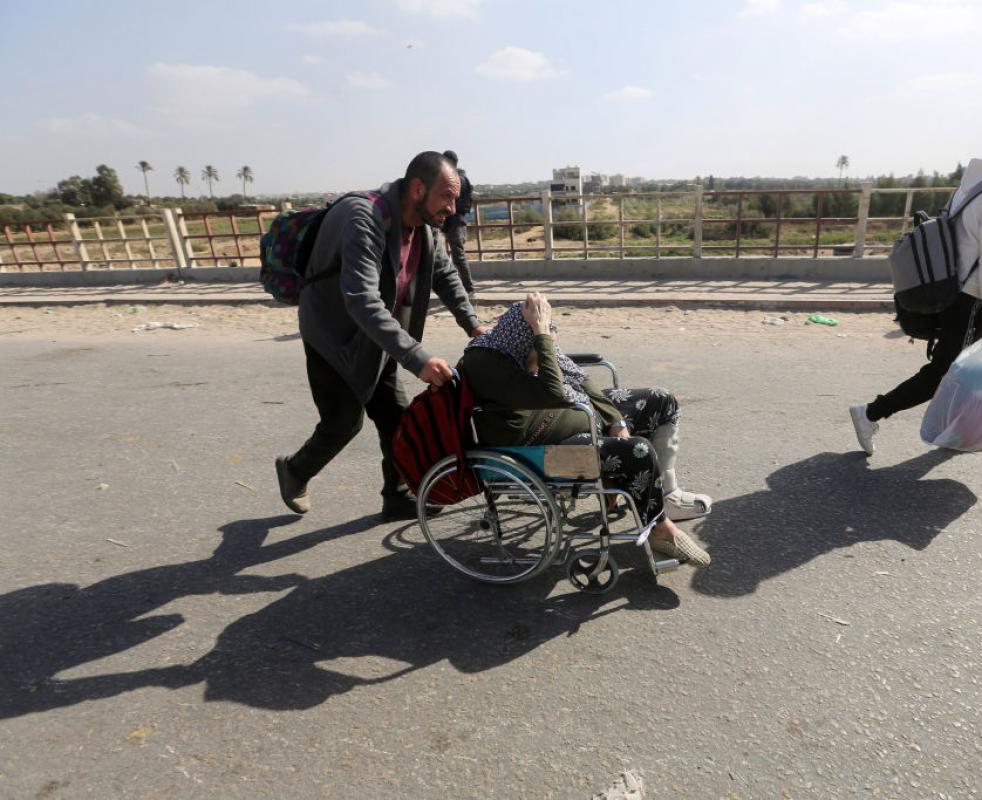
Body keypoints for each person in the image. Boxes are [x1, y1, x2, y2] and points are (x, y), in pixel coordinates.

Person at [276, 151, 486, 519]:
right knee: (343, 423)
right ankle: (294, 470)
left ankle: (398, 496)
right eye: (447, 196)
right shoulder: (363, 217)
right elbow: (361, 300)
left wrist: (474, 326)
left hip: (382, 336)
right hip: (334, 337)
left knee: (398, 419)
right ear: (418, 189)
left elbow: (446, 276)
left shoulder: (424, 228)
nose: (453, 208)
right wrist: (418, 358)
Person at [850, 103, 982, 455]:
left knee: (963, 369)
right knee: (945, 371)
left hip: (956, 287)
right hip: (971, 296)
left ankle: (962, 431)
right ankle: (871, 412)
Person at [459, 293, 713, 567]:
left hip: (572, 419)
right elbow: (555, 391)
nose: (547, 359)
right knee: (637, 450)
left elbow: (577, 377)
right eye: (541, 353)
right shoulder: (489, 367)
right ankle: (660, 528)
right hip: (539, 457)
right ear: (528, 342)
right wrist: (541, 333)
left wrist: (616, 421)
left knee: (660, 400)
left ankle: (665, 496)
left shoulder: (511, 340)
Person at [441, 150, 475, 297]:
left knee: (458, 257)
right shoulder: (458, 177)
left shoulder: (458, 179)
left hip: (456, 222)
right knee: (451, 256)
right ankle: (463, 287)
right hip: (452, 222)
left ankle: (469, 288)